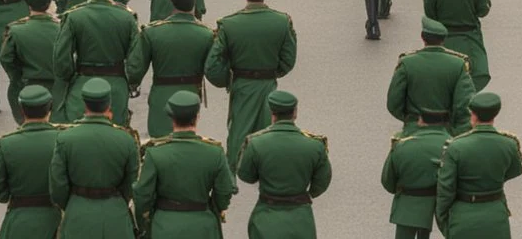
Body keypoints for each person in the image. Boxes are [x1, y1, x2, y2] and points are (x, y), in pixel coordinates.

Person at [204, 0, 298, 172]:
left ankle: (231, 175)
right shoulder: (281, 21)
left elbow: (213, 64)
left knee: (239, 130)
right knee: (268, 129)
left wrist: (226, 80)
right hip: (268, 82)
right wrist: (274, 72)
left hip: (242, 83)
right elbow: (288, 59)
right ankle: (269, 170)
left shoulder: (229, 24)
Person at [132, 90, 235, 237]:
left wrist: (145, 225)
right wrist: (215, 210)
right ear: (197, 117)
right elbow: (225, 191)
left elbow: (142, 195)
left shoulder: (155, 153)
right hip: (203, 227)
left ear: (171, 118)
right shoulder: (214, 153)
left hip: (165, 226)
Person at [48, 77, 140, 238]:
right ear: (109, 105)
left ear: (85, 104)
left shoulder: (66, 139)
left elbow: (58, 185)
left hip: (78, 211)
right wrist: (118, 201)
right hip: (115, 213)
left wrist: (72, 204)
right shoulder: (126, 139)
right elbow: (131, 183)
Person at [126, 0, 215, 138]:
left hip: (161, 94)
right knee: (188, 138)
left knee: (160, 141)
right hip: (191, 93)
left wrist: (131, 83)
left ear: (171, 2)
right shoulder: (206, 34)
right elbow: (214, 70)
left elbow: (135, 70)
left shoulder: (152, 32)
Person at [236, 91, 332, 238]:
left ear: (272, 113)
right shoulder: (315, 145)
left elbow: (246, 175)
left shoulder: (256, 143)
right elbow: (323, 181)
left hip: (266, 215)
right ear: (295, 113)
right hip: (300, 218)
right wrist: (308, 194)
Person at [54, 0, 139, 124]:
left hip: (83, 82)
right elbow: (136, 60)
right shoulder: (127, 17)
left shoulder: (74, 16)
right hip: (116, 85)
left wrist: (69, 77)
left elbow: (61, 58)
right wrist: (131, 82)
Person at [434, 91, 522, 239]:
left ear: (473, 115)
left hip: (463, 217)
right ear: (495, 115)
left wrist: (444, 220)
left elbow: (446, 189)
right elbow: (516, 169)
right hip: (496, 216)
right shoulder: (509, 144)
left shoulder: (456, 147)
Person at [0, 84, 63, 237]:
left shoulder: (6, 144)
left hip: (19, 220)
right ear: (49, 108)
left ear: (22, 110)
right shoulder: (63, 140)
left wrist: (13, 195)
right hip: (55, 220)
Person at [387, 17, 475, 136]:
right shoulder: (458, 64)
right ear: (443, 40)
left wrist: (410, 121)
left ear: (423, 37)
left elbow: (394, 103)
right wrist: (457, 132)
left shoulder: (407, 63)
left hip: (414, 129)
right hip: (446, 130)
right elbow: (464, 105)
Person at [423, 0, 491, 90]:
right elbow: (483, 11)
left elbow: (430, 15)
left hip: (443, 38)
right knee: (474, 76)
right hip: (470, 37)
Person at [381, 108, 451, 239]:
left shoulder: (402, 145)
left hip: (409, 207)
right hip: (446, 208)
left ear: (421, 121)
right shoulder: (455, 145)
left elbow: (388, 182)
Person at [0, 0, 60, 124]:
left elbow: (6, 58)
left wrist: (17, 78)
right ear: (50, 4)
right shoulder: (62, 28)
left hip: (27, 85)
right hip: (57, 88)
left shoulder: (16, 30)